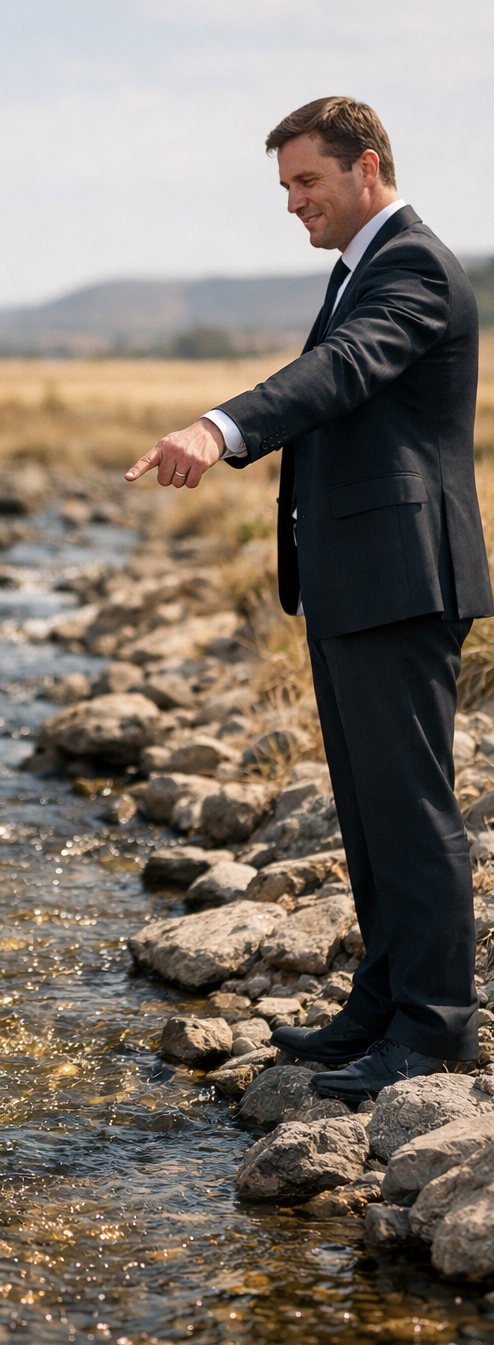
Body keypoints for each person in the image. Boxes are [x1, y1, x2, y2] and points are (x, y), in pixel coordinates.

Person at [126, 97, 493, 1100]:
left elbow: (336, 374)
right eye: (285, 186)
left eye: (306, 182)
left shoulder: (411, 265)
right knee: (372, 809)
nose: (293, 203)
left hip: (400, 579)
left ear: (364, 167)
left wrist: (217, 429)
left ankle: (434, 1025)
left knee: (410, 809)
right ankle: (381, 1001)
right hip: (353, 583)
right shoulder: (362, 270)